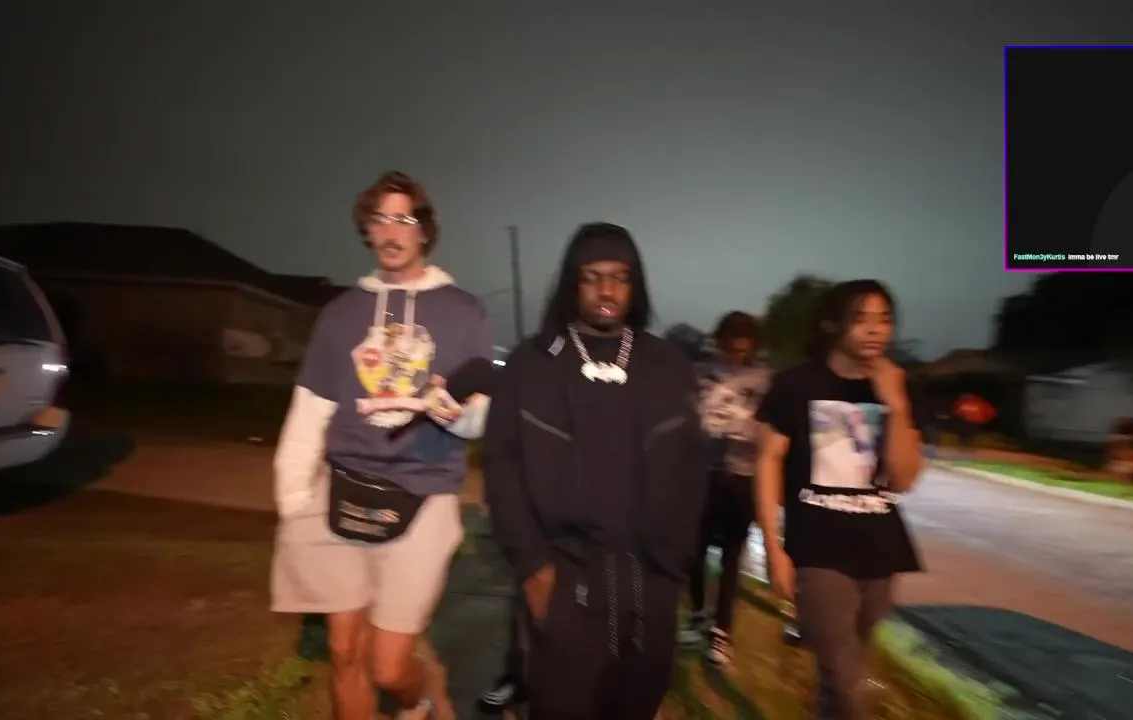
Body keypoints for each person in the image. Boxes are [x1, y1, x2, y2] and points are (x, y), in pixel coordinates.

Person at [270, 171, 492, 720]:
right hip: (340, 488)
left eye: (404, 218)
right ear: (367, 231)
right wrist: (294, 497)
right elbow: (311, 407)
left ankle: (416, 702)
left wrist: (456, 413)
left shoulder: (464, 311)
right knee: (344, 651)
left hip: (423, 497)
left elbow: (480, 414)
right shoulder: (341, 314)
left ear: (424, 230)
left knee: (388, 665)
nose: (391, 231)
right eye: (379, 220)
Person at [483, 222, 707, 720]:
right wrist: (534, 571)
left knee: (636, 706)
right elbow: (503, 468)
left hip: (649, 586)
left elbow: (692, 468)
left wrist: (673, 566)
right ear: (571, 283)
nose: (607, 290)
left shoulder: (667, 365)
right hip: (567, 580)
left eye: (620, 277)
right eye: (592, 276)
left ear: (635, 284)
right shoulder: (532, 365)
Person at [754, 279, 925, 720]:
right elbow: (768, 461)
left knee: (842, 676)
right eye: (861, 319)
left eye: (884, 319)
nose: (875, 330)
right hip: (818, 546)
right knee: (846, 679)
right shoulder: (795, 385)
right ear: (832, 325)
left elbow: (904, 479)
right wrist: (773, 548)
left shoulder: (895, 387)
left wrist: (897, 406)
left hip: (880, 546)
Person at [678, 311, 771, 667]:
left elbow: (772, 429)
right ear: (720, 343)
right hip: (701, 473)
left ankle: (722, 632)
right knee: (693, 549)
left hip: (742, 475)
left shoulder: (765, 381)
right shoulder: (699, 374)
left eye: (743, 349)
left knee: (733, 555)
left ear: (753, 346)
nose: (736, 355)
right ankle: (698, 615)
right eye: (730, 347)